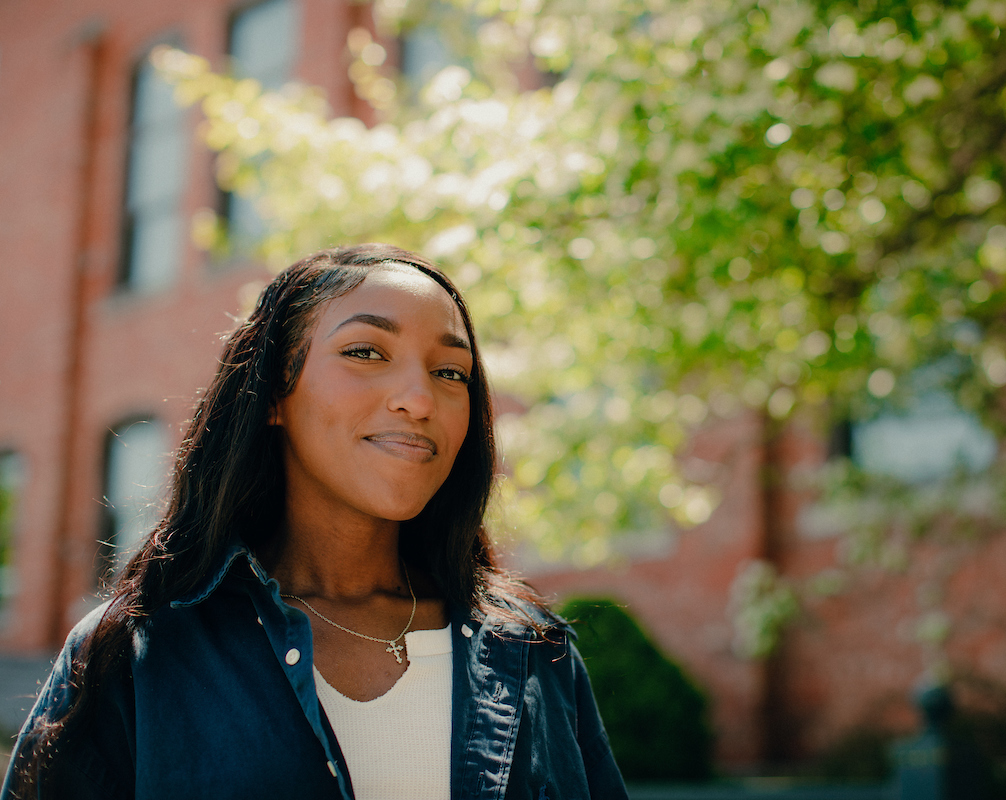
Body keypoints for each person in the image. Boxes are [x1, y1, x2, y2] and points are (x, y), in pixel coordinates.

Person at [3, 244, 628, 800]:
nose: (418, 397)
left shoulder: (531, 652)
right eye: (365, 352)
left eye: (450, 372)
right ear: (275, 392)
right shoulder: (138, 651)